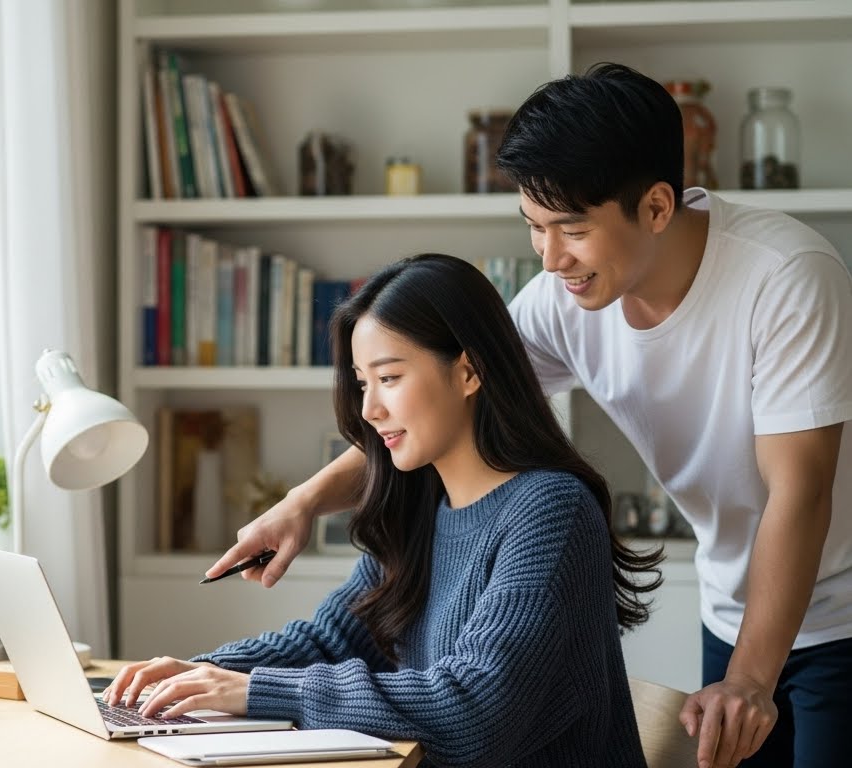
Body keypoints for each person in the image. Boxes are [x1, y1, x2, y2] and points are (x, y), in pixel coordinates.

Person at [208, 64, 852, 768]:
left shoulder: (784, 278)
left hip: (841, 608)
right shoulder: (565, 298)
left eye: (570, 229)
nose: (549, 259)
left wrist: (751, 679)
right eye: (534, 228)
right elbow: (438, 401)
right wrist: (302, 504)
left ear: (657, 207)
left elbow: (799, 490)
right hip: (734, 600)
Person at [105, 254, 659, 767]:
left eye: (390, 378)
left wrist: (249, 691)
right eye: (363, 382)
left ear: (469, 372)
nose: (370, 409)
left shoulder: (550, 512)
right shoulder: (417, 502)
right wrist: (198, 674)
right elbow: (331, 641)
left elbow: (472, 713)